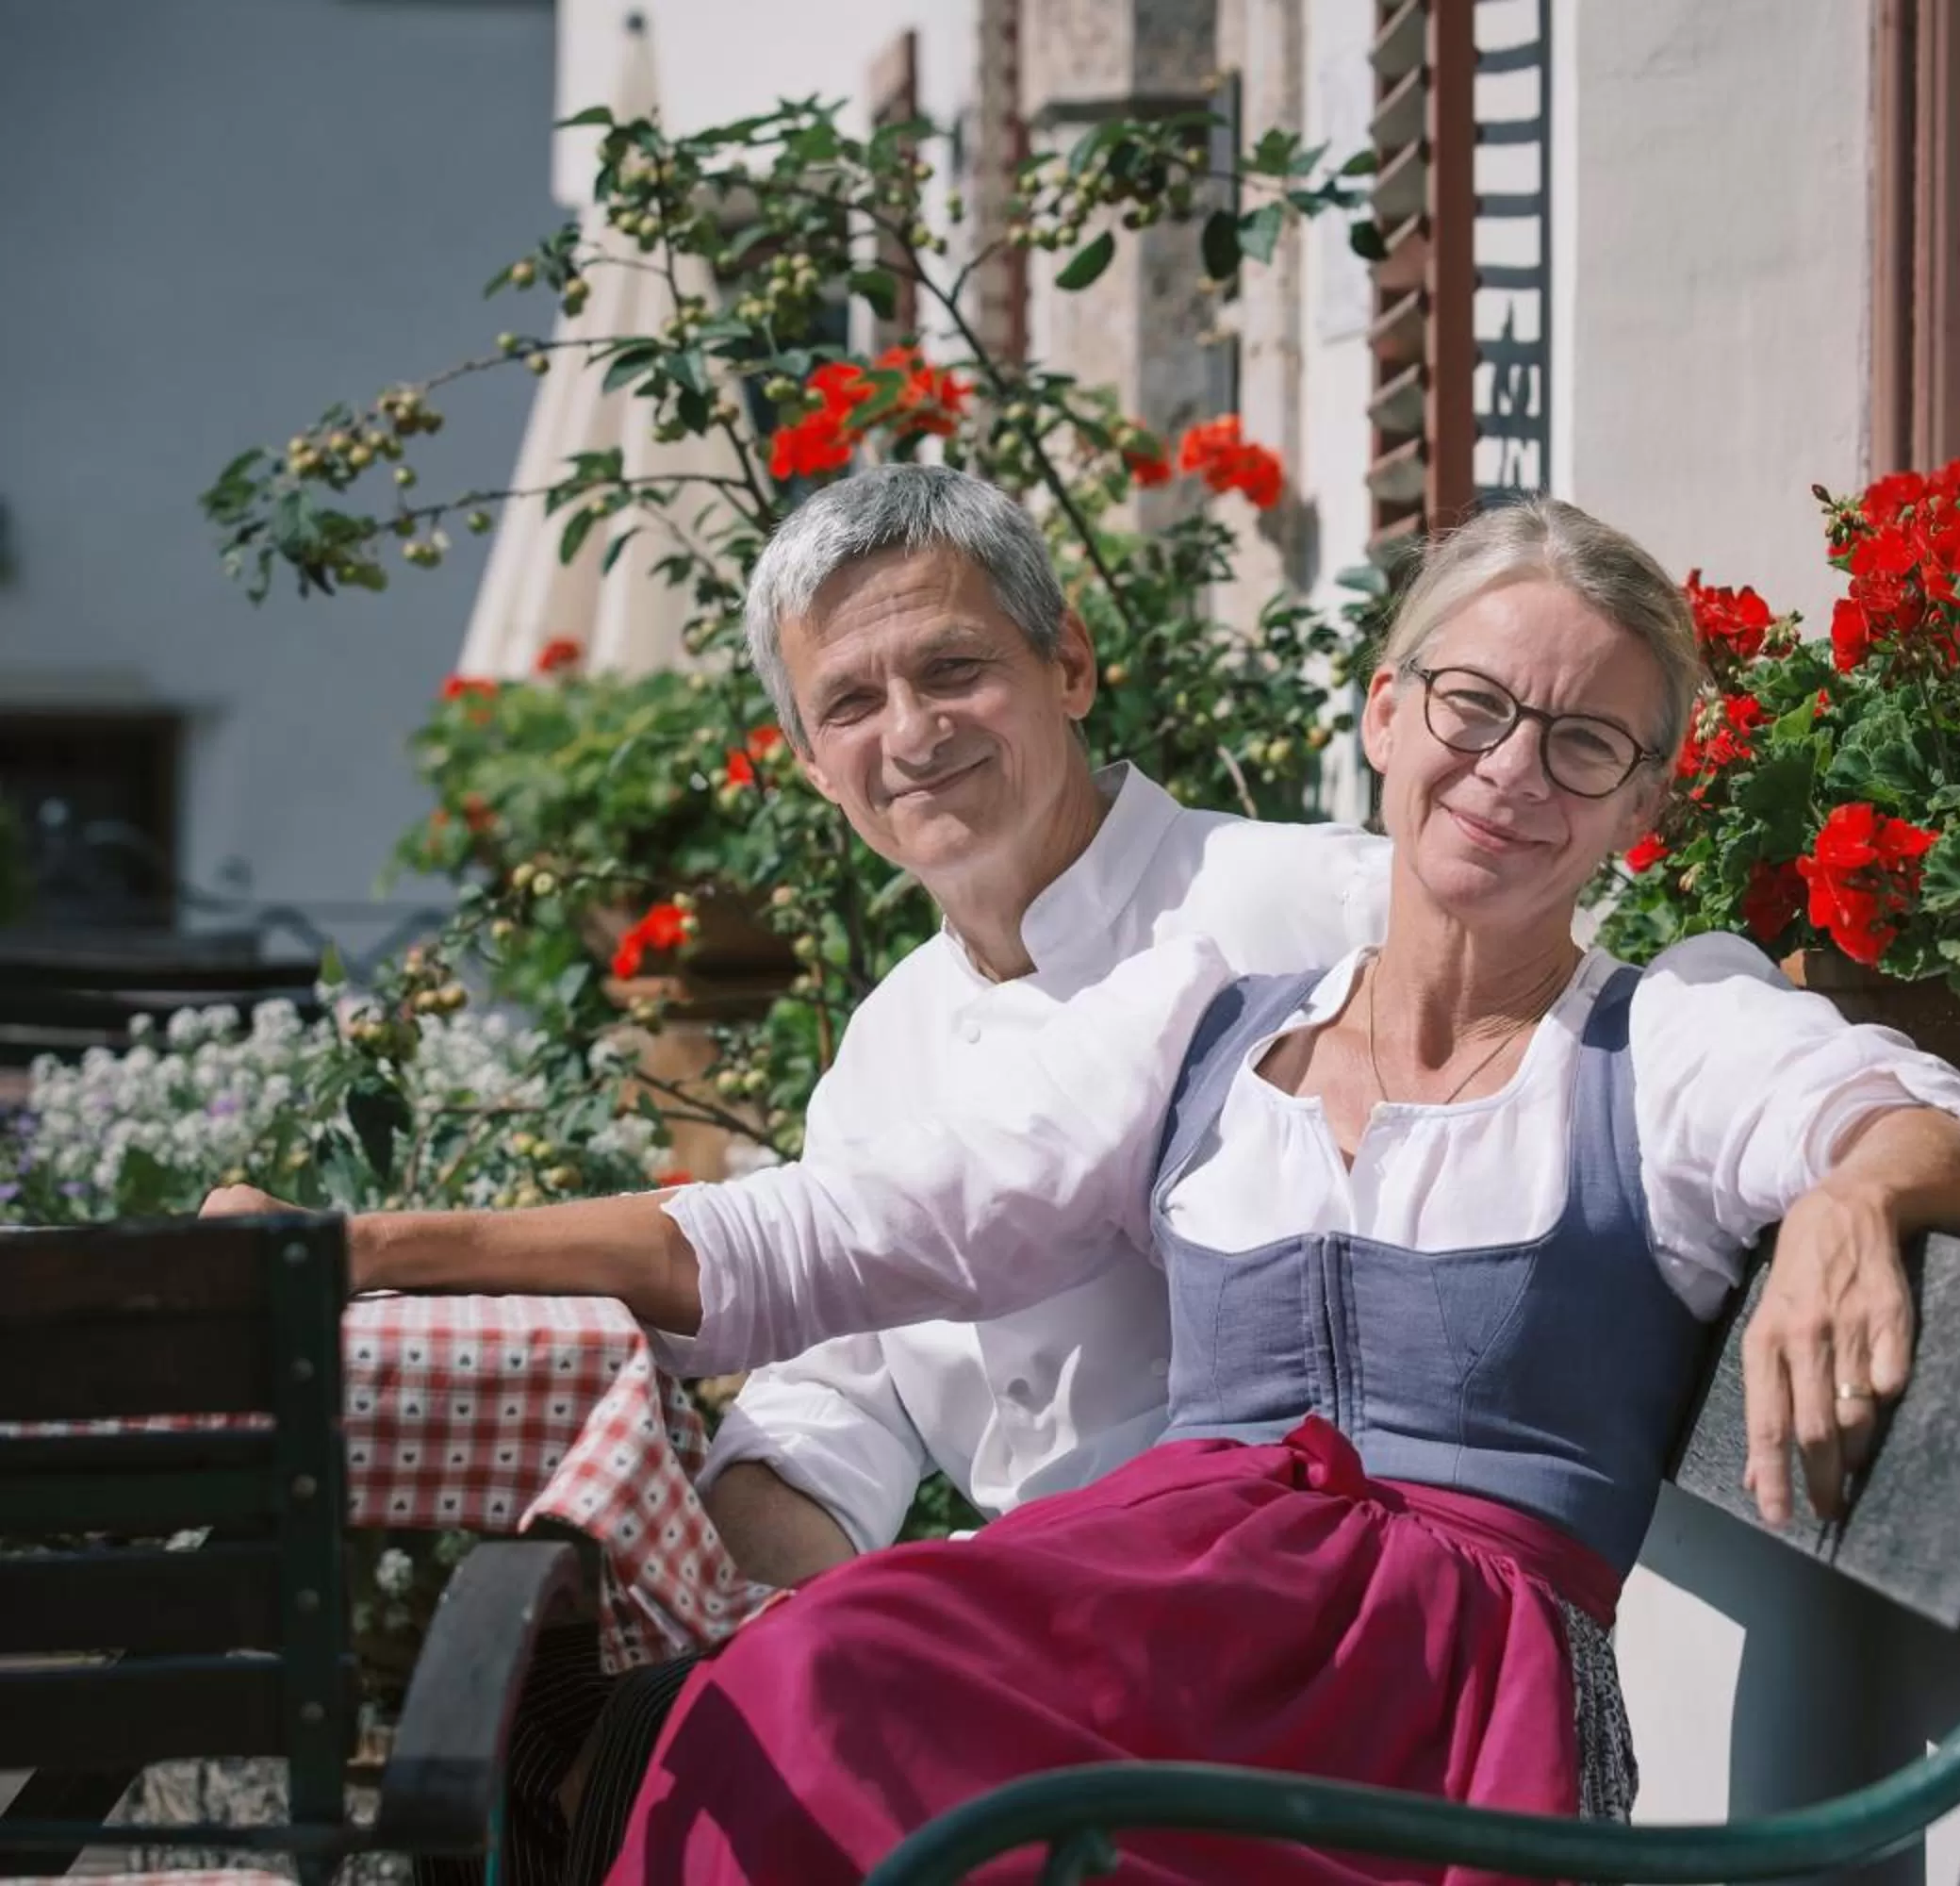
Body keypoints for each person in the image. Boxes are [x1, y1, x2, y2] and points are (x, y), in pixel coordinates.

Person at [261, 498, 1960, 1883]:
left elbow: (1926, 1118)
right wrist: (366, 1243)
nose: (1510, 773)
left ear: (1641, 805)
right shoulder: (1214, 1029)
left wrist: (1860, 1200)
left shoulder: (1663, 1033)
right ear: (1386, 711)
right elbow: (835, 1232)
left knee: (825, 1685)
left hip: (1431, 1705)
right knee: (785, 1690)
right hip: (1182, 1621)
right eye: (1477, 708)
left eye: (1586, 745)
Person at [218, 463, 1390, 1885]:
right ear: (809, 758)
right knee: (572, 1737)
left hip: (1260, 1658)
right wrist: (751, 1614)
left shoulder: (1301, 901)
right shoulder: (895, 1030)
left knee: (603, 1769)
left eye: (955, 668)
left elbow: (1654, 997)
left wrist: (1759, 1216)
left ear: (1069, 663)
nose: (910, 734)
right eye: (849, 702)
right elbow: (839, 1397)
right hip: (1042, 1650)